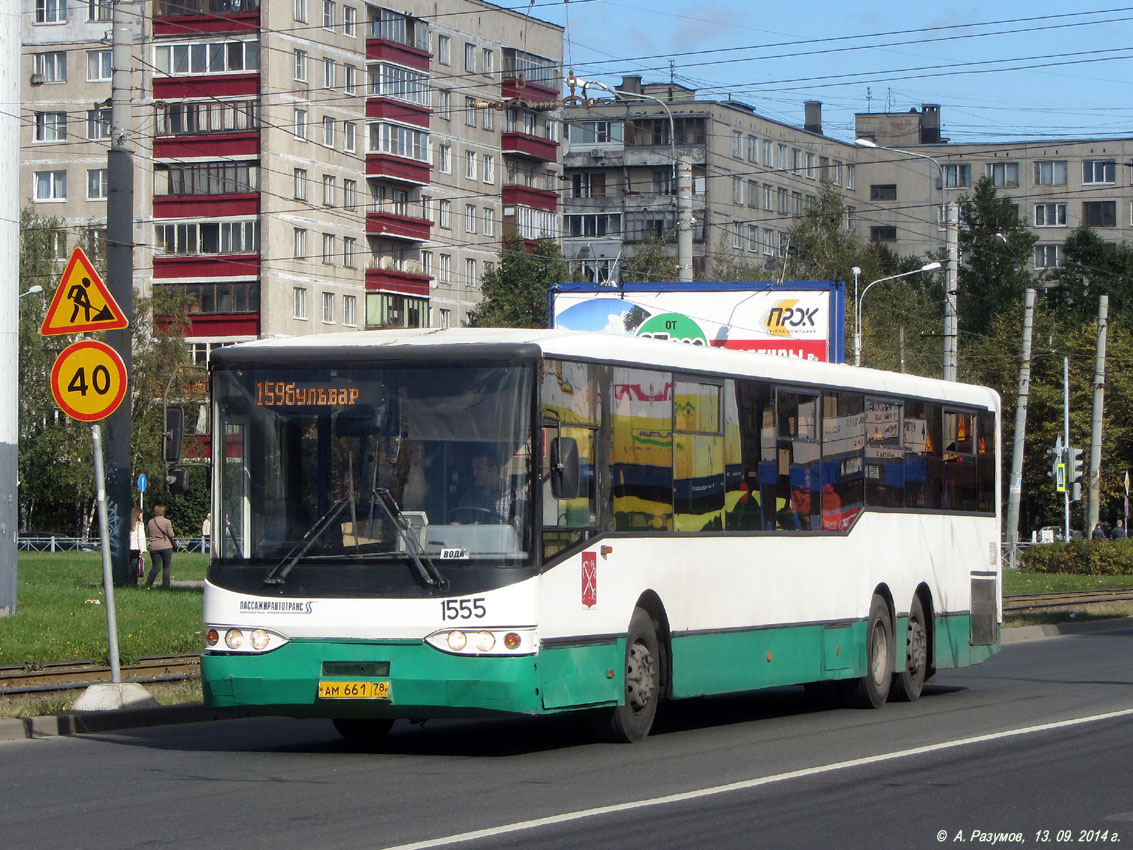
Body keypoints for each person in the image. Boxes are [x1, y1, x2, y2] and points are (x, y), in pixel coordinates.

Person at [146, 504, 176, 589]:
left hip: (154, 547)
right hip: (166, 546)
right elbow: (171, 534)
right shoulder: (167, 522)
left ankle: (148, 583)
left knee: (156, 567)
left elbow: (148, 533)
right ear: (163, 511)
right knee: (166, 567)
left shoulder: (150, 522)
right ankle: (166, 585)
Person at [129, 507, 146, 584]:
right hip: (136, 548)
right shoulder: (139, 524)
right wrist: (142, 549)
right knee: (134, 566)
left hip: (128, 548)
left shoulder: (128, 524)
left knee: (128, 565)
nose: (142, 515)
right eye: (141, 514)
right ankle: (133, 582)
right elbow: (140, 537)